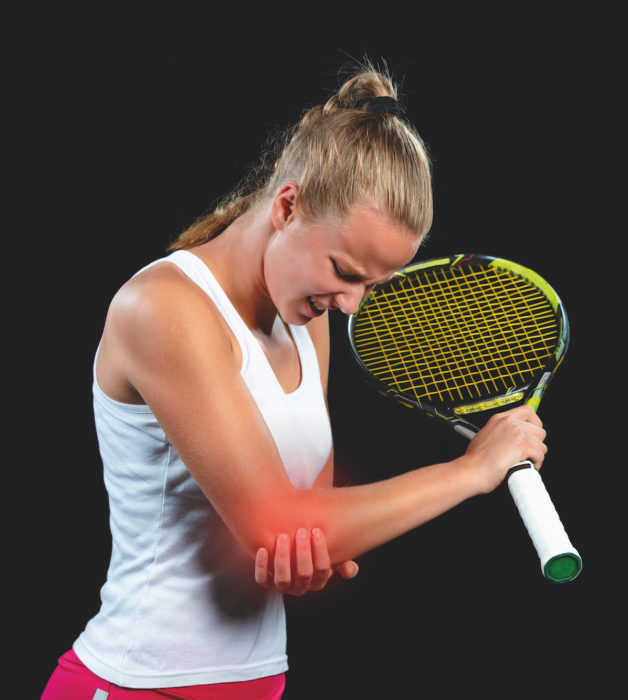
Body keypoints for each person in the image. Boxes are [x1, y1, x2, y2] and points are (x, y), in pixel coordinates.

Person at [41, 60, 547, 699]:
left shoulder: (307, 318)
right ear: (287, 204)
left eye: (371, 284)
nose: (352, 304)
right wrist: (472, 471)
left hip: (258, 682)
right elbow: (282, 520)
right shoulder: (165, 309)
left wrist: (310, 558)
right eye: (344, 270)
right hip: (139, 683)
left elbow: (310, 527)